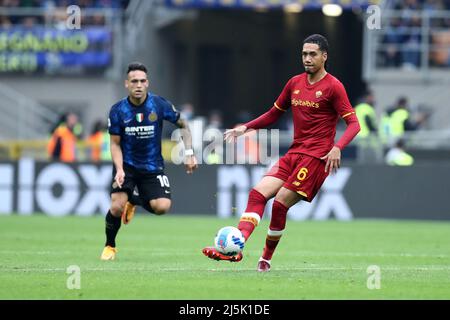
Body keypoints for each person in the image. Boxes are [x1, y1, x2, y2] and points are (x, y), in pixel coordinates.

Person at [202, 34, 360, 272]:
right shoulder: (294, 83)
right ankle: (237, 248)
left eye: (313, 54)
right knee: (257, 195)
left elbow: (354, 124)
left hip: (316, 158)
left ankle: (265, 260)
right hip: (294, 153)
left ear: (324, 56)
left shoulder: (333, 87)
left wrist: (337, 147)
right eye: (304, 54)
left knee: (279, 204)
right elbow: (274, 113)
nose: (307, 58)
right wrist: (246, 127)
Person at [100, 62, 198, 260]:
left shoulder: (159, 105)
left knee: (162, 207)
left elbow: (183, 124)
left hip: (153, 166)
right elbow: (115, 144)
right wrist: (119, 169)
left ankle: (133, 201)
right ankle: (110, 246)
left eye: (142, 81)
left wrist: (189, 152)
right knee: (117, 206)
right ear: (126, 84)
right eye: (134, 81)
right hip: (126, 165)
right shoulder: (117, 110)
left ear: (148, 83)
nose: (138, 85)